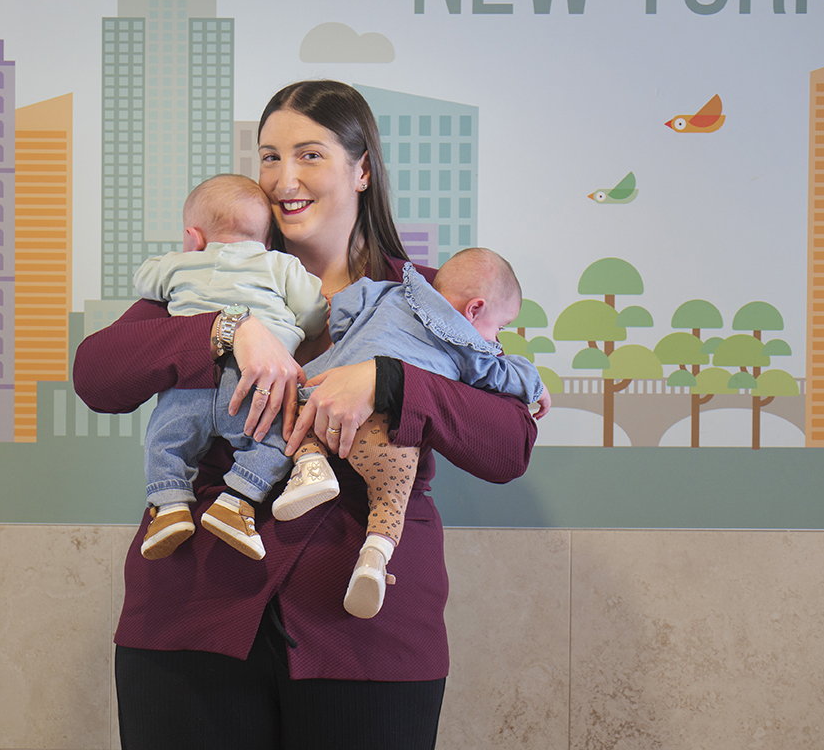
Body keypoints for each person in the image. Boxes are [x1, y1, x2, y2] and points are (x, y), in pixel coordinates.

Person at [73, 80, 538, 749]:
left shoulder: (438, 296)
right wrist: (224, 331)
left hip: (364, 631)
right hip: (194, 617)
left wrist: (388, 380)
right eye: (268, 157)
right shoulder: (210, 276)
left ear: (362, 169)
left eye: (309, 155)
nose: (283, 178)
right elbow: (97, 373)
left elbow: (510, 445)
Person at [275, 247, 550, 619]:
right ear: (475, 309)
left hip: (321, 389)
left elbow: (343, 309)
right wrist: (534, 383)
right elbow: (497, 374)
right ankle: (374, 555)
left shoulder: (393, 288)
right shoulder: (467, 342)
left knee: (296, 419)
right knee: (390, 496)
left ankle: (310, 468)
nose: (496, 340)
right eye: (499, 328)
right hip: (385, 434)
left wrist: (369, 356)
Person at [132, 173, 329, 561]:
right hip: (254, 383)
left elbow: (144, 281)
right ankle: (238, 500)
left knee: (164, 440)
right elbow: (312, 311)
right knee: (278, 438)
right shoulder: (281, 264)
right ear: (267, 239)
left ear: (194, 235)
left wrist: (184, 257)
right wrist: (301, 331)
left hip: (191, 380)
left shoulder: (179, 264)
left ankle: (169, 506)